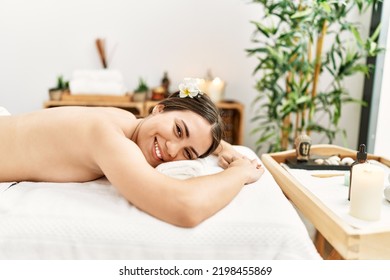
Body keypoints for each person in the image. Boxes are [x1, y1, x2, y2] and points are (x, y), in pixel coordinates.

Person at [0, 79, 264, 227]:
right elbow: (185, 208)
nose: (172, 149)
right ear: (159, 108)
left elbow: (196, 137)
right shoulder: (109, 137)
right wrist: (239, 173)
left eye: (189, 153)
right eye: (179, 130)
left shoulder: (129, 121)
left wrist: (226, 149)